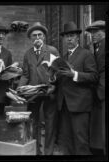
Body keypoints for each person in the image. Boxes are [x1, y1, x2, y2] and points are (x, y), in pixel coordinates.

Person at [17, 22, 59, 155]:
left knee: (50, 123)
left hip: (49, 92)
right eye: (34, 35)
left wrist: (53, 86)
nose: (37, 38)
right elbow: (25, 74)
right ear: (30, 38)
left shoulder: (52, 50)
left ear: (44, 37)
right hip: (34, 94)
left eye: (40, 35)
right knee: (33, 122)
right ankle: (36, 151)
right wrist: (19, 89)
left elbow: (58, 71)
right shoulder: (27, 54)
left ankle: (49, 151)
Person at [56, 21, 98, 155]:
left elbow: (93, 77)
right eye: (66, 36)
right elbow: (61, 80)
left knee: (81, 142)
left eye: (72, 35)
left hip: (79, 105)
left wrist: (74, 74)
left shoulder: (86, 54)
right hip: (64, 105)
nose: (69, 38)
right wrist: (52, 76)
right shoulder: (63, 57)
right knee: (66, 141)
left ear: (77, 37)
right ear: (63, 38)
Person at [85, 20, 106, 155]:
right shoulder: (96, 47)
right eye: (91, 32)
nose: (93, 35)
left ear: (104, 32)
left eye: (96, 32)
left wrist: (100, 91)